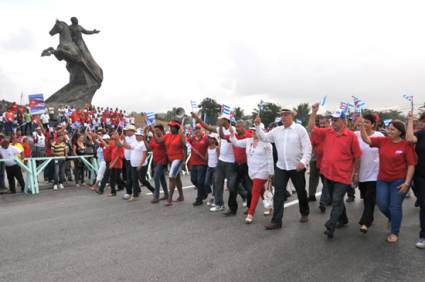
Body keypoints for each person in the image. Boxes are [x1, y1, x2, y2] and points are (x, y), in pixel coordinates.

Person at [308, 104, 361, 239]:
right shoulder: (328, 132)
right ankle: (343, 219)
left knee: (337, 200)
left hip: (343, 175)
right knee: (334, 199)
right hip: (328, 173)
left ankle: (331, 225)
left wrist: (356, 174)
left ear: (344, 121)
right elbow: (312, 128)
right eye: (333, 120)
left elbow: (357, 156)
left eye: (336, 120)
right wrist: (314, 112)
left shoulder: (351, 136)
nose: (333, 123)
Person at [360, 118, 416, 243]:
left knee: (395, 206)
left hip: (399, 181)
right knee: (382, 204)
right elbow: (366, 139)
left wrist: (407, 183)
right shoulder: (382, 141)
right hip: (383, 180)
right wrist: (362, 126)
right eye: (388, 128)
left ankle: (394, 232)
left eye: (392, 129)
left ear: (400, 132)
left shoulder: (406, 145)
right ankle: (393, 218)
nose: (388, 131)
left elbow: (411, 165)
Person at [255, 108, 312, 230]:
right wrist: (258, 126)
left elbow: (308, 147)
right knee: (278, 194)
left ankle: (304, 212)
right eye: (282, 115)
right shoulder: (277, 130)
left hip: (296, 167)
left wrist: (303, 162)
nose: (284, 117)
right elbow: (264, 138)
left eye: (286, 115)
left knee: (301, 191)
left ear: (292, 116)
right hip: (281, 167)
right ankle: (276, 221)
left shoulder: (300, 130)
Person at [192, 112, 238, 215]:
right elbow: (207, 127)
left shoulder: (233, 129)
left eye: (220, 119)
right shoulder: (219, 128)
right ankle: (219, 204)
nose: (218, 121)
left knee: (232, 186)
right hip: (221, 161)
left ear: (226, 120)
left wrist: (220, 127)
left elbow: (223, 136)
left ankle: (244, 196)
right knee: (217, 183)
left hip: (231, 162)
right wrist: (197, 119)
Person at [229, 125, 274, 224]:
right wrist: (232, 134)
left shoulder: (266, 144)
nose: (254, 133)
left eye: (256, 130)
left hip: (263, 171)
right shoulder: (248, 141)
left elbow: (270, 159)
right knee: (260, 189)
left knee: (255, 190)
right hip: (252, 171)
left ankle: (250, 213)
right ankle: (268, 206)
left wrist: (271, 173)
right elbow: (236, 143)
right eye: (252, 131)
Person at [354, 114, 384, 233]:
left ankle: (365, 222)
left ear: (372, 124)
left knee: (369, 198)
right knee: (365, 196)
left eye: (367, 122)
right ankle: (369, 218)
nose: (364, 124)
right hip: (361, 172)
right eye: (363, 122)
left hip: (375, 172)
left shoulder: (379, 136)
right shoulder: (356, 135)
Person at [153, 120, 186, 206]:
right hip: (171, 159)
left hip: (178, 158)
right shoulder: (167, 136)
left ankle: (170, 199)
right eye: (170, 126)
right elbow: (158, 141)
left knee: (171, 177)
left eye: (172, 127)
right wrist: (154, 133)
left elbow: (185, 146)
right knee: (177, 178)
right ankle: (181, 196)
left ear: (177, 128)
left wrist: (184, 161)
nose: (171, 128)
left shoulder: (180, 136)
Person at [407, 111, 425, 248]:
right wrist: (410, 120)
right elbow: (409, 138)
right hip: (421, 176)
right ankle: (423, 236)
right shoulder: (420, 135)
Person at [123, 128, 154, 201]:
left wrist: (140, 164)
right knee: (134, 180)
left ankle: (153, 190)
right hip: (133, 164)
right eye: (136, 135)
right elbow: (127, 147)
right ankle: (135, 195)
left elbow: (145, 154)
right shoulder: (135, 142)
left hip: (142, 165)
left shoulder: (143, 143)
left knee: (142, 180)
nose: (136, 136)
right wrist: (124, 139)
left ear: (142, 136)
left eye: (138, 135)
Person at [309, 115, 332, 212]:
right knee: (313, 178)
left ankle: (326, 199)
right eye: (321, 123)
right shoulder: (317, 132)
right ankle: (312, 195)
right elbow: (311, 144)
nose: (322, 125)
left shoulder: (332, 132)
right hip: (317, 159)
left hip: (328, 162)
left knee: (326, 182)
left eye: (324, 123)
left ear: (329, 123)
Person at [146, 124, 169, 203]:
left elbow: (159, 142)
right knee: (161, 178)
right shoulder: (153, 137)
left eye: (157, 130)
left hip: (162, 161)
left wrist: (153, 133)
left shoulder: (164, 137)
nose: (156, 132)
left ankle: (156, 196)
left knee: (156, 177)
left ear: (162, 130)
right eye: (155, 130)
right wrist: (144, 140)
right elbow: (149, 148)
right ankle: (166, 194)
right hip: (156, 160)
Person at [188, 124, 209, 206]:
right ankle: (204, 191)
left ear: (202, 130)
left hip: (202, 163)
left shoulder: (206, 139)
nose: (197, 131)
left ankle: (199, 199)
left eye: (198, 129)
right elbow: (184, 141)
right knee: (193, 180)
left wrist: (206, 157)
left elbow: (210, 147)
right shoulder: (192, 139)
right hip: (193, 163)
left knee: (200, 181)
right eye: (195, 129)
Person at [122, 125, 137, 200]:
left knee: (132, 177)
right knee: (129, 177)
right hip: (127, 159)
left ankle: (131, 193)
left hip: (133, 160)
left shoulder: (135, 138)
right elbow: (119, 145)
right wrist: (117, 139)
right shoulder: (126, 138)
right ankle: (133, 191)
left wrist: (123, 139)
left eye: (127, 130)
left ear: (132, 131)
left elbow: (127, 146)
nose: (126, 131)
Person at [205, 133, 219, 206]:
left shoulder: (217, 148)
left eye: (211, 138)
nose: (209, 139)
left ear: (214, 140)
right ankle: (211, 195)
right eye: (209, 138)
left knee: (214, 184)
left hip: (215, 168)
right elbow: (206, 158)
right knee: (206, 182)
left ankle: (214, 197)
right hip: (209, 167)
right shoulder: (208, 147)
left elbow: (219, 158)